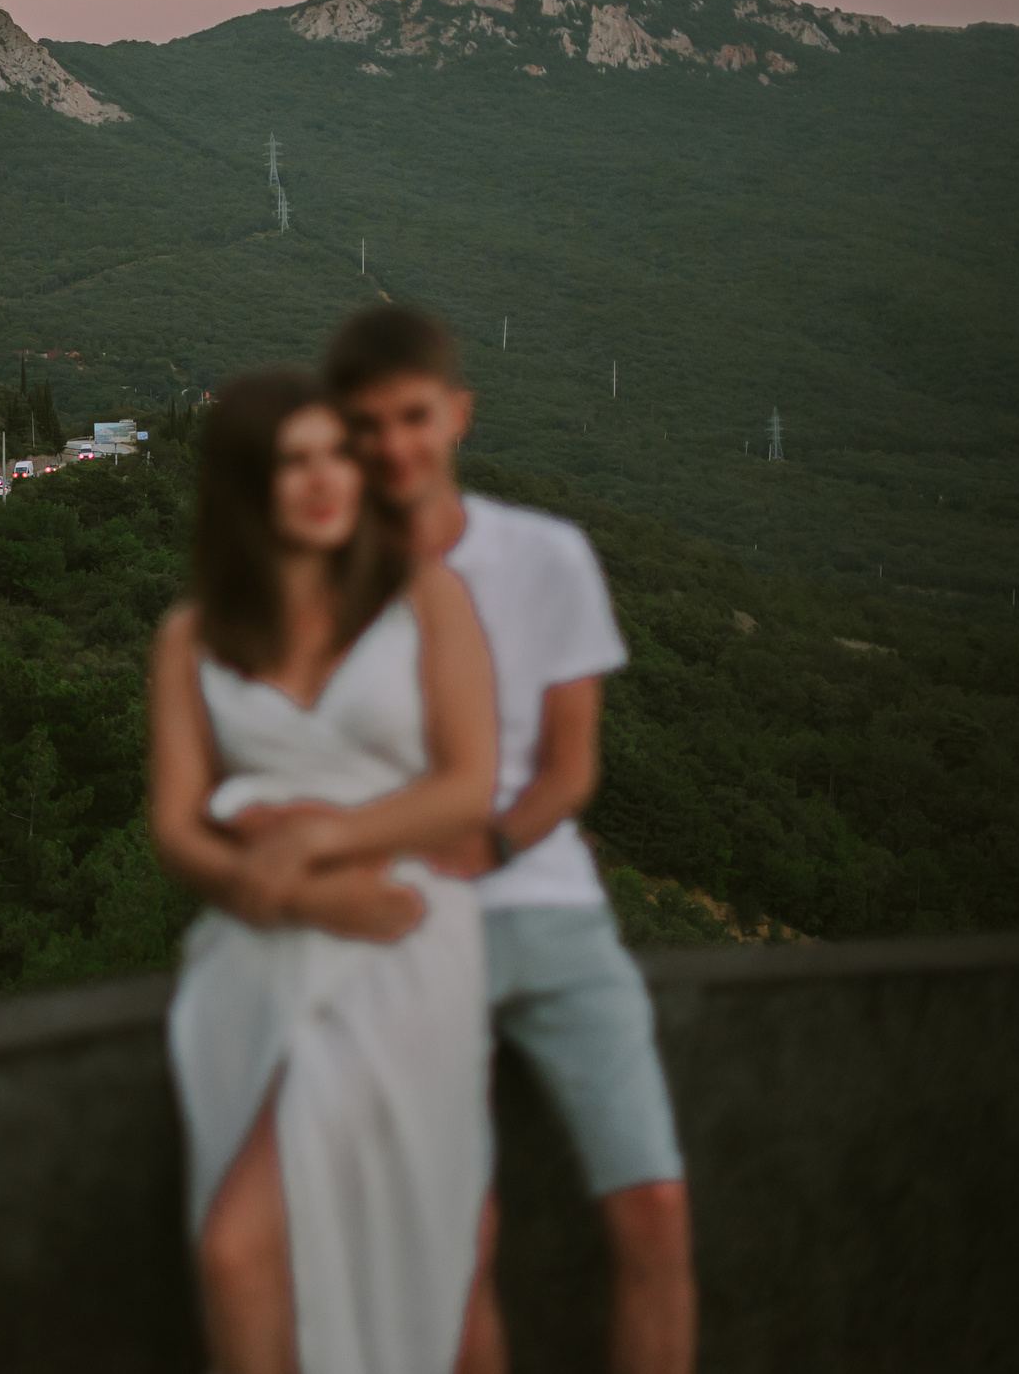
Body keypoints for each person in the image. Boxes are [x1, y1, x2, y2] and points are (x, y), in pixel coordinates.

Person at [322, 306, 695, 1374]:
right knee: (455, 1247)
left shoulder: (547, 557)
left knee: (657, 1209)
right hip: (410, 941)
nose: (395, 444)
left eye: (413, 417)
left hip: (554, 913)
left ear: (457, 416)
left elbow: (571, 765)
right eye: (369, 425)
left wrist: (483, 847)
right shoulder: (327, 588)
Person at [149, 367, 501, 1374]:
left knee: (381, 1254)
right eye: (293, 460)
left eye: (338, 454)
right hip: (258, 950)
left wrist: (312, 835)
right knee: (320, 1254)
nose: (324, 478)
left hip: (400, 938)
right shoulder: (191, 637)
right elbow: (176, 828)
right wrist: (306, 889)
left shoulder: (426, 597)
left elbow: (467, 785)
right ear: (245, 484)